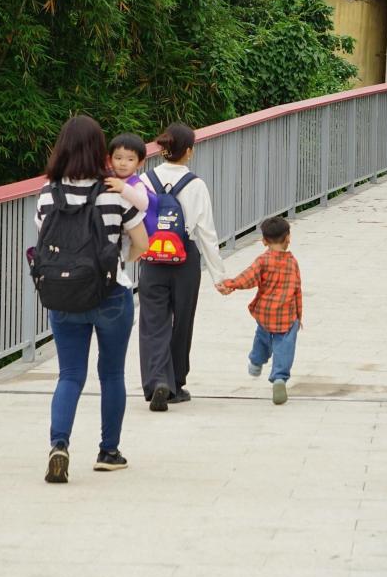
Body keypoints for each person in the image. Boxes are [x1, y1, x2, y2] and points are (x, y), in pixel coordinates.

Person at [36, 115, 148, 484]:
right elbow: (142, 244)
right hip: (110, 294)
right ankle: (108, 452)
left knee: (69, 374)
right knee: (111, 373)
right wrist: (119, 262)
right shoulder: (113, 194)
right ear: (100, 150)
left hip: (64, 297)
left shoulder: (47, 196)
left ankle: (59, 444)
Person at [138, 122, 225, 411]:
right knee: (182, 320)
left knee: (153, 321)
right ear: (188, 151)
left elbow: (134, 220)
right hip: (185, 257)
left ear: (163, 149)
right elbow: (206, 232)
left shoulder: (145, 180)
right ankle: (175, 383)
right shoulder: (196, 184)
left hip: (152, 257)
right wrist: (218, 275)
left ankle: (156, 381)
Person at [217, 215, 302, 407]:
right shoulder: (292, 262)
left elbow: (248, 278)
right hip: (287, 316)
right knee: (284, 348)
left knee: (262, 340)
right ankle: (279, 378)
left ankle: (256, 362)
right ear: (288, 237)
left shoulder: (263, 261)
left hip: (265, 313)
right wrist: (298, 316)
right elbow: (297, 289)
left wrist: (231, 284)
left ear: (264, 241)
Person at [105, 132, 152, 218]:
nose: (123, 163)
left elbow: (144, 204)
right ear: (110, 160)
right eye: (118, 158)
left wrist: (123, 188)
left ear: (140, 163)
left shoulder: (136, 183)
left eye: (130, 159)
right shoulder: (108, 178)